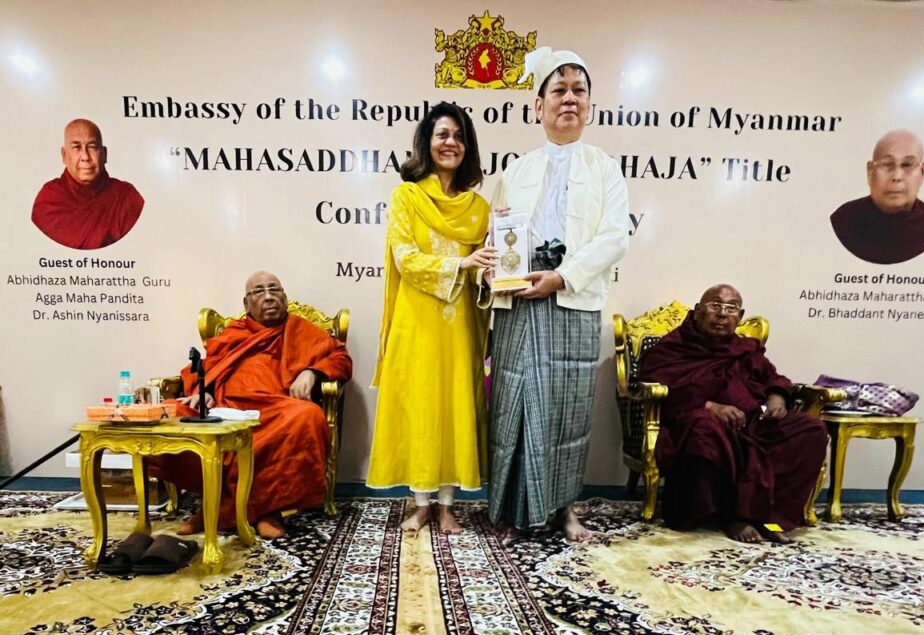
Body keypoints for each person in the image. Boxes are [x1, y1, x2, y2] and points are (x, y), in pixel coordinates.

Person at [486, 47, 630, 541]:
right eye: (559, 91)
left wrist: (563, 276)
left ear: (589, 105)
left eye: (578, 91)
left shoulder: (605, 168)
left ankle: (564, 509)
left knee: (567, 411)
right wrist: (494, 271)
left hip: (572, 296)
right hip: (519, 300)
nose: (569, 99)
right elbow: (496, 235)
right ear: (538, 106)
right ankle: (512, 512)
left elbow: (615, 238)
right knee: (516, 402)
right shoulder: (515, 170)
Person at [367, 102, 495, 534]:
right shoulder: (406, 197)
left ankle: (446, 506)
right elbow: (405, 258)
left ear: (468, 146)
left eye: (459, 136)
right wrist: (463, 265)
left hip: (459, 325)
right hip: (417, 322)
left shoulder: (478, 208)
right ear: (427, 142)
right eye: (442, 134)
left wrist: (489, 274)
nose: (450, 143)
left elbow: (480, 268)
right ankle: (421, 505)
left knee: (454, 406)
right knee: (423, 406)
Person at [160, 271, 352, 539]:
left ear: (284, 296)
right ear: (246, 303)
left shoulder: (303, 331)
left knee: (307, 416)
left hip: (276, 409)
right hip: (226, 408)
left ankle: (261, 510)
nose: (269, 296)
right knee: (171, 413)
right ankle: (219, 505)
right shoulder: (235, 333)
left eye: (275, 289)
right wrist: (204, 390)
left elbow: (340, 358)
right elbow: (206, 366)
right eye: (259, 292)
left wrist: (312, 372)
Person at [637, 284, 828, 544]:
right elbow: (660, 386)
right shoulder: (673, 347)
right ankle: (729, 516)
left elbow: (774, 378)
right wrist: (710, 406)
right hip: (700, 420)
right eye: (715, 305)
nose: (722, 313)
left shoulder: (745, 348)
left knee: (811, 429)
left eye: (731, 308)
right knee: (705, 427)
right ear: (697, 311)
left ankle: (768, 516)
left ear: (740, 316)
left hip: (753, 421)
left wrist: (777, 397)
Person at [830, 129, 924, 264]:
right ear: (870, 171)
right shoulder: (844, 220)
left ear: (922, 172)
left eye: (907, 165)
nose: (897, 176)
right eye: (887, 164)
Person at [31, 118, 144, 250]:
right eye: (77, 147)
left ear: (104, 154)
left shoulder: (126, 197)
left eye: (92, 147)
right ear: (64, 155)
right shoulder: (49, 199)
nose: (85, 157)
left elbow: (136, 248)